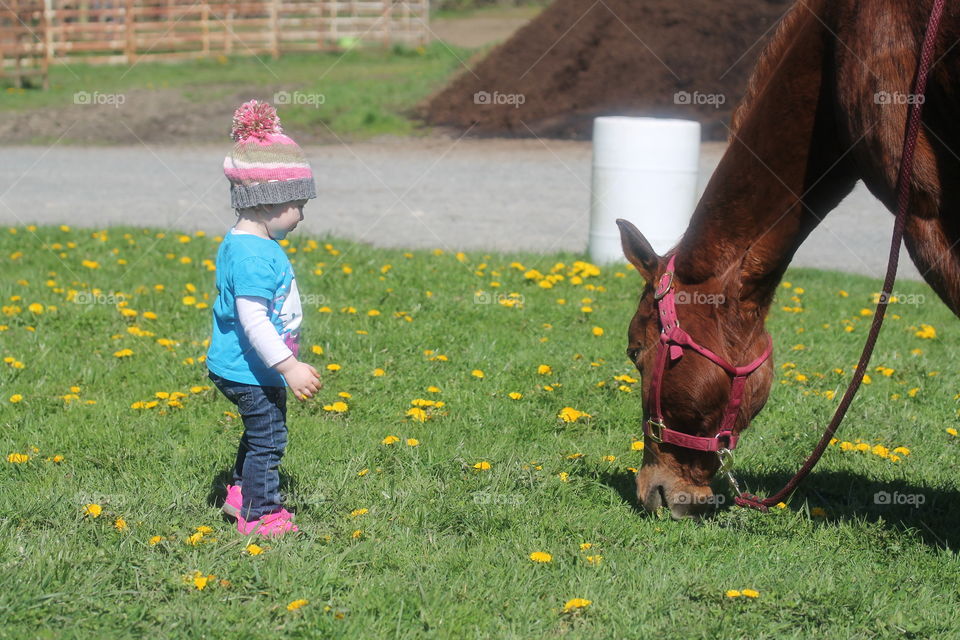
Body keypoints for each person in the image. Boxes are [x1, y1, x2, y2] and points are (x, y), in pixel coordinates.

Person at [206, 99, 322, 538]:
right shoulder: (255, 257)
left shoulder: (242, 241)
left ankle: (239, 491)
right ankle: (260, 515)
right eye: (298, 204)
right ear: (269, 201)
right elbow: (254, 322)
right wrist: (288, 366)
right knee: (270, 437)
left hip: (247, 366)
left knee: (260, 432)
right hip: (252, 371)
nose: (302, 214)